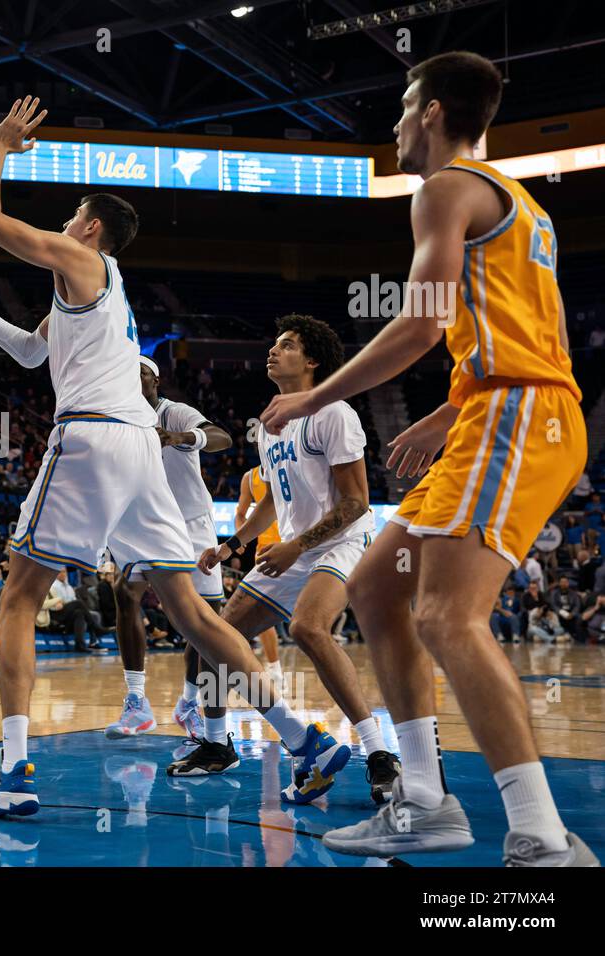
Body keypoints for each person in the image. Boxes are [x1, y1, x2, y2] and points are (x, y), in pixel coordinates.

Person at [0, 96, 336, 818]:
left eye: (72, 213)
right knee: (190, 610)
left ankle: (12, 774)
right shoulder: (105, 290)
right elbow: (34, 350)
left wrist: (0, 145)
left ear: (91, 227)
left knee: (18, 597)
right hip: (135, 447)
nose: (65, 223)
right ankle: (304, 738)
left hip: (93, 436)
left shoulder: (83, 255)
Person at [263, 52, 596, 865]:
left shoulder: (446, 189)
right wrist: (448, 412)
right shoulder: (517, 204)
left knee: (448, 616)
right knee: (377, 589)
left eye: (405, 108)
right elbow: (510, 336)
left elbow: (419, 324)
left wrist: (313, 397)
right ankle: (423, 799)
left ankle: (541, 835)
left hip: (520, 415)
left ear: (437, 112)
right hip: (494, 407)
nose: (396, 125)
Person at [199, 315, 399, 803]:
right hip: (294, 549)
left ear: (311, 361)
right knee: (212, 637)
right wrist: (232, 545)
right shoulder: (271, 421)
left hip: (342, 542)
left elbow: (355, 504)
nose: (273, 350)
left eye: (285, 345)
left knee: (308, 628)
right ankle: (217, 743)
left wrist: (296, 546)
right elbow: (271, 499)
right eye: (273, 342)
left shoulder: (333, 413)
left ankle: (378, 753)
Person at [104, 356, 231, 760]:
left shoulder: (173, 412)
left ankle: (190, 701)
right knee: (126, 594)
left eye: (140, 372)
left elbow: (221, 436)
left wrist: (181, 437)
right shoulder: (118, 419)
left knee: (208, 621)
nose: (132, 379)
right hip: (143, 525)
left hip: (191, 525)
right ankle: (137, 700)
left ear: (155, 380)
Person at [239, 466, 284, 683]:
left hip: (295, 545)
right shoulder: (250, 477)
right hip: (264, 551)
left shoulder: (292, 462)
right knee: (260, 607)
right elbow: (240, 513)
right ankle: (274, 667)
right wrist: (241, 537)